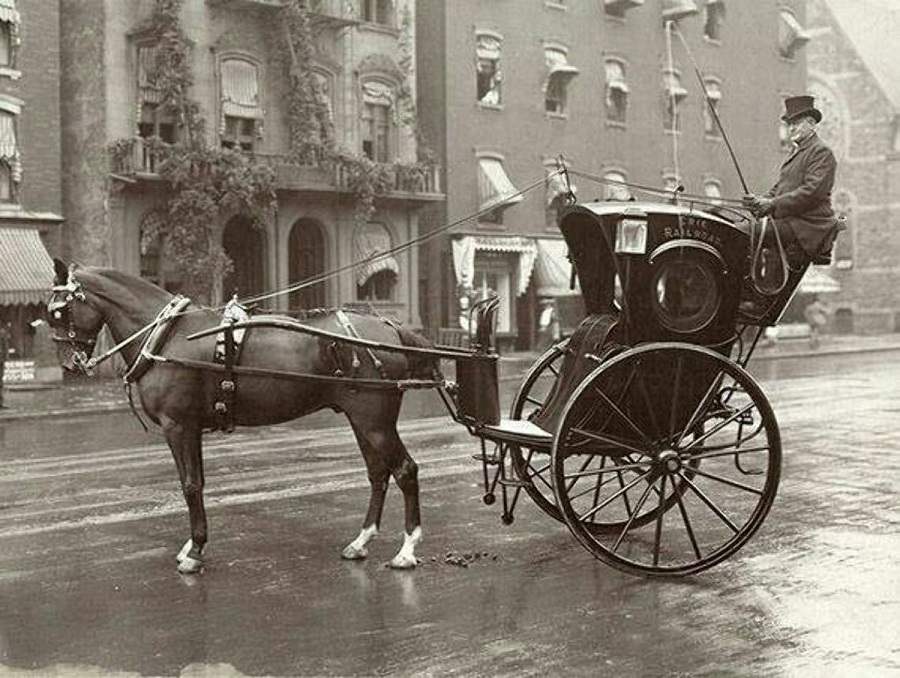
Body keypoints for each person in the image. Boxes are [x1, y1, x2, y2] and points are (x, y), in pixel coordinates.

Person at [743, 95, 840, 267]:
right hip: (790, 222)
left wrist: (772, 204)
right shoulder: (797, 152)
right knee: (736, 227)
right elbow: (781, 187)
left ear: (811, 123)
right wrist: (759, 201)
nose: (791, 129)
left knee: (742, 232)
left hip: (808, 226)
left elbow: (812, 192)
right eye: (789, 124)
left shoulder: (821, 152)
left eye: (796, 123)